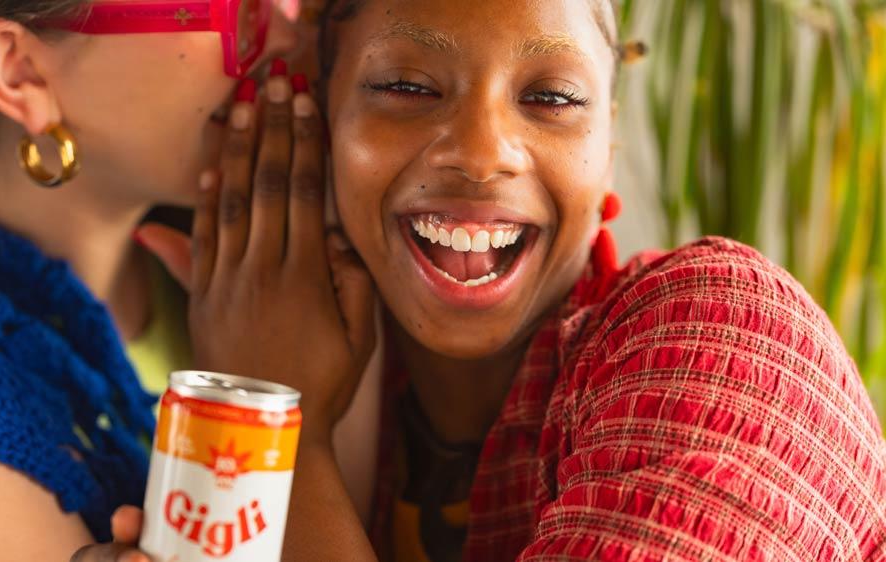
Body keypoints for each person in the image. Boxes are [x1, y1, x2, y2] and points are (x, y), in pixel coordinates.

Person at [123, 0, 886, 560]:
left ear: (609, 144)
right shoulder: (366, 402)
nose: (483, 152)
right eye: (407, 87)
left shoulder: (726, 342)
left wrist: (280, 427)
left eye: (552, 99)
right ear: (321, 123)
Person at [0, 2, 367, 561]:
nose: (287, 36)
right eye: (235, 8)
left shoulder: (296, 284)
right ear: (20, 72)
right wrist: (282, 417)